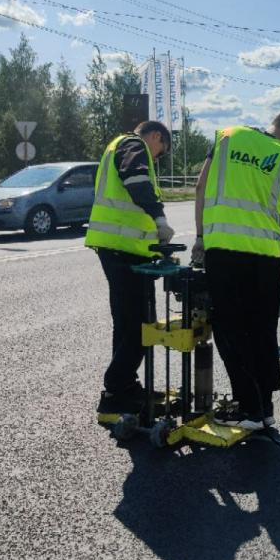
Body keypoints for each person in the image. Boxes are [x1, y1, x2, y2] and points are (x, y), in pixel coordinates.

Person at [192, 112, 280, 430]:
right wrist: (277, 257)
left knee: (230, 329)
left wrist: (201, 238)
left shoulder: (228, 136)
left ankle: (249, 409)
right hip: (266, 258)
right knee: (262, 331)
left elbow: (200, 187)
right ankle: (264, 408)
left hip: (224, 251)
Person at [86, 121, 175, 415]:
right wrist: (159, 219)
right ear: (156, 136)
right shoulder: (133, 145)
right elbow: (137, 182)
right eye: (160, 151)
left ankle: (125, 387)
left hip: (119, 247)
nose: (157, 158)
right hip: (123, 249)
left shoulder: (119, 145)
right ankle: (116, 388)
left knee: (126, 322)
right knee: (139, 324)